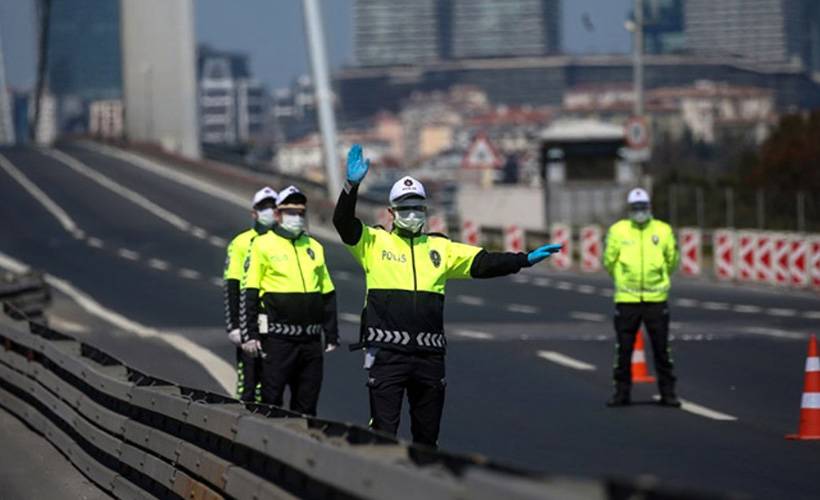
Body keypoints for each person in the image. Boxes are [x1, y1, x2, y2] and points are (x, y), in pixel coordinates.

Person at [333, 144, 562, 447]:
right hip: (387, 357)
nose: (412, 213)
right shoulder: (373, 242)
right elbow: (343, 223)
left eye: (417, 207)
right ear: (391, 213)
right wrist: (351, 186)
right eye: (405, 208)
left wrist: (523, 259)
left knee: (427, 442)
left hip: (430, 359)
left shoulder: (441, 248)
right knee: (382, 438)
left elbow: (483, 262)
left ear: (426, 211)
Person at [240, 185, 338, 415]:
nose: (296, 218)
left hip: (311, 341)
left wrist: (331, 333)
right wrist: (250, 334)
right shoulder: (262, 245)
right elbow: (250, 292)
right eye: (290, 213)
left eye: (300, 213)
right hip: (277, 340)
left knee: (307, 405)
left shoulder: (314, 247)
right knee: (271, 400)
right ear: (278, 215)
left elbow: (327, 293)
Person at [603, 187, 681, 408]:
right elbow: (609, 260)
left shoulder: (663, 230)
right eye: (635, 208)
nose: (639, 211)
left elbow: (672, 259)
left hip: (656, 298)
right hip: (627, 299)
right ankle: (621, 392)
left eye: (643, 207)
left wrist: (658, 276)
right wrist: (623, 278)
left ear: (650, 207)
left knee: (662, 349)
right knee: (624, 349)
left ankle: (668, 393)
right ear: (629, 209)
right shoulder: (619, 231)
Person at [224, 186, 277, 402]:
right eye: (263, 208)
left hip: (276, 328)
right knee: (248, 384)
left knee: (271, 387)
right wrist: (234, 325)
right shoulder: (240, 243)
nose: (269, 212)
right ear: (254, 213)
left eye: (273, 207)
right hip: (249, 325)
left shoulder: (284, 243)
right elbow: (232, 286)